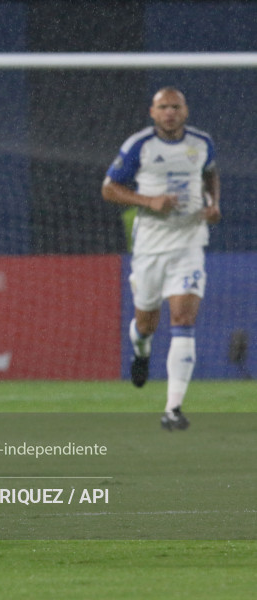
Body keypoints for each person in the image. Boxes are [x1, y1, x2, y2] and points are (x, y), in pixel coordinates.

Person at [102, 87, 221, 431]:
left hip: (189, 242)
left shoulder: (201, 143)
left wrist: (213, 204)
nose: (169, 112)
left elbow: (210, 172)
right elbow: (109, 188)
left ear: (185, 111)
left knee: (183, 318)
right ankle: (141, 350)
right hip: (151, 247)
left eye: (176, 107)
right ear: (152, 112)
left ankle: (173, 409)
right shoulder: (139, 145)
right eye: (163, 107)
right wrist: (149, 201)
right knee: (146, 324)